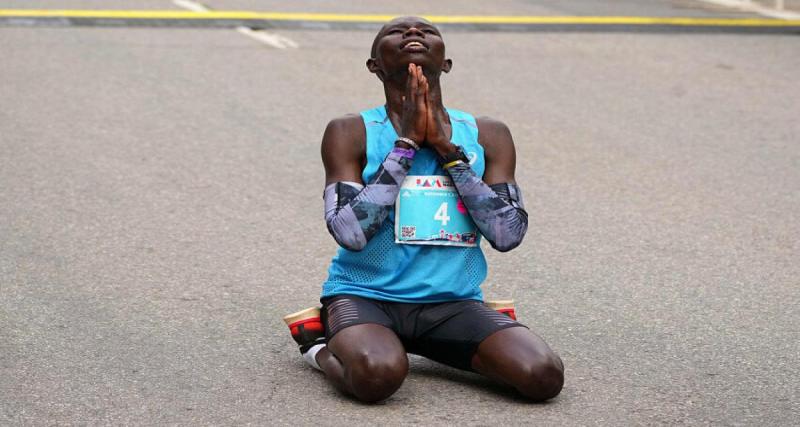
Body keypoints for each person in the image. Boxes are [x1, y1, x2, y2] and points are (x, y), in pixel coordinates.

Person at [286, 16, 564, 403]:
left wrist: (450, 154)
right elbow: (350, 233)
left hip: (453, 303)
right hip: (366, 295)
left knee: (542, 377)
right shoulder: (350, 131)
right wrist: (407, 146)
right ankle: (315, 343)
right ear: (375, 66)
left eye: (427, 31)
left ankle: (470, 338)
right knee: (377, 377)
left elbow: (508, 234)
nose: (413, 33)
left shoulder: (488, 134)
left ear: (446, 63)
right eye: (396, 32)